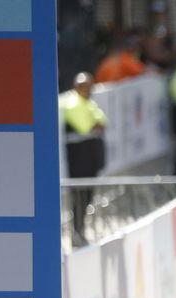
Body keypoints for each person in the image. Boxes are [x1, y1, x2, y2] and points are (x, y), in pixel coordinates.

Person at [60, 73, 107, 241]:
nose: (87, 90)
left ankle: (80, 230)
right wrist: (95, 125)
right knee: (79, 197)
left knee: (87, 196)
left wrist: (96, 125)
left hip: (90, 159)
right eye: (84, 86)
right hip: (79, 160)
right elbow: (86, 127)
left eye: (89, 86)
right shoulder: (72, 103)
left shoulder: (88, 102)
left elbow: (102, 122)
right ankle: (76, 232)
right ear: (76, 87)